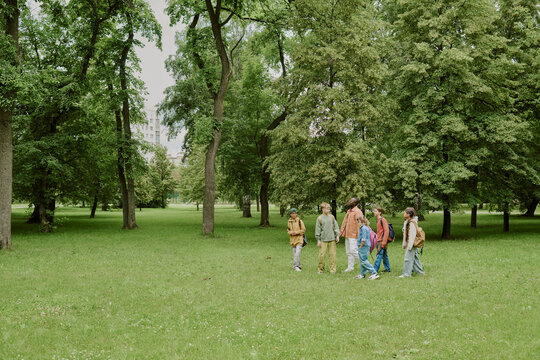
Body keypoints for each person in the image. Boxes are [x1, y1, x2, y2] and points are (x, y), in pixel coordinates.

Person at [400, 207, 425, 278]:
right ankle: (420, 272)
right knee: (415, 258)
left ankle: (406, 274)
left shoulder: (411, 223)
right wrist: (404, 244)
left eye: (405, 213)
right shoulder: (408, 222)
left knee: (408, 259)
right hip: (411, 243)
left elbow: (412, 235)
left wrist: (409, 246)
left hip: (411, 243)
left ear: (408, 214)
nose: (404, 214)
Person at [315, 202, 340, 274]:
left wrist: (337, 235)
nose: (328, 210)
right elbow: (318, 230)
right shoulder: (319, 218)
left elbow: (336, 226)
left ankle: (333, 270)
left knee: (332, 255)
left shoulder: (332, 217)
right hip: (323, 240)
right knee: (322, 255)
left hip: (332, 239)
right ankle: (320, 269)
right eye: (327, 209)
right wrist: (318, 240)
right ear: (323, 209)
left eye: (329, 209)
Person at [340, 198, 363, 272]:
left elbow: (360, 225)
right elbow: (344, 222)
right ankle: (350, 267)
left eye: (351, 201)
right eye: (349, 200)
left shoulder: (358, 212)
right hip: (347, 234)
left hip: (354, 235)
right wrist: (341, 233)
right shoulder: (349, 211)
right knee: (348, 252)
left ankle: (365, 265)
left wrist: (360, 236)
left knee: (354, 251)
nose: (349, 201)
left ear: (355, 203)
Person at [355, 214, 379, 280]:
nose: (357, 223)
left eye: (358, 221)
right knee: (362, 260)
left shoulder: (364, 228)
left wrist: (360, 247)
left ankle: (374, 273)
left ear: (361, 221)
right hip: (363, 246)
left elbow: (363, 239)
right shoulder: (363, 227)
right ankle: (362, 274)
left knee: (364, 261)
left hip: (364, 246)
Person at [373, 206, 391, 273]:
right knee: (384, 255)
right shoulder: (378, 220)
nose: (374, 212)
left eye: (375, 211)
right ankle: (387, 268)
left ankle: (374, 270)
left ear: (380, 212)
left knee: (379, 255)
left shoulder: (382, 220)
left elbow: (386, 231)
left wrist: (384, 242)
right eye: (374, 211)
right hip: (379, 240)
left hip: (382, 241)